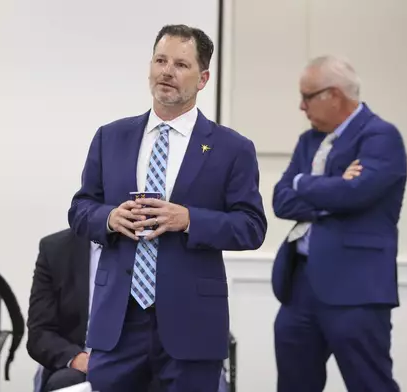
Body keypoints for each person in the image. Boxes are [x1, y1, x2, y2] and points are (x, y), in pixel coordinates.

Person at [68, 24, 267, 392]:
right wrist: (109, 218)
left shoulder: (231, 148)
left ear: (203, 78)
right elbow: (80, 210)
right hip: (119, 323)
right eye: (160, 60)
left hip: (191, 325)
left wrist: (189, 219)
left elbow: (252, 226)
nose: (166, 72)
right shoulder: (110, 137)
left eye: (180, 64)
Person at [271, 55, 407, 391]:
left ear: (333, 95)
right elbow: (280, 199)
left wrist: (305, 183)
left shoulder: (381, 137)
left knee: (369, 384)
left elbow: (355, 193)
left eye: (307, 97)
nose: (301, 107)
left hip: (356, 289)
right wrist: (331, 189)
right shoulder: (309, 140)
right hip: (300, 285)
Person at [27, 228, 100, 391]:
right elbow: (40, 333)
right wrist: (77, 359)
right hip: (78, 364)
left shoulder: (150, 246)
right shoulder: (55, 249)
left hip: (134, 359)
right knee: (66, 382)